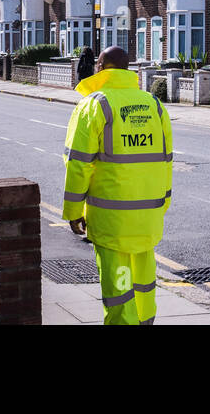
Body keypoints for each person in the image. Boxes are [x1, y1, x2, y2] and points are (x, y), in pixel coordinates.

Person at [62, 45, 174, 324]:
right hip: (147, 217)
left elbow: (78, 164)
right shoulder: (154, 106)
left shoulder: (95, 105)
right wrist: (162, 205)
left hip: (111, 220)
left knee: (119, 287)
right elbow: (166, 160)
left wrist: (74, 212)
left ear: (101, 67)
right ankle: (145, 321)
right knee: (143, 282)